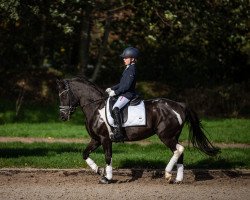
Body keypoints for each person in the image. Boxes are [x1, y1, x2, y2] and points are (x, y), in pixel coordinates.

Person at [106, 47, 139, 142]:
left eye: (126, 58)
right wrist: (112, 88)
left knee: (115, 108)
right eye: (124, 58)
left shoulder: (132, 69)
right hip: (124, 93)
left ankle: (119, 133)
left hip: (128, 94)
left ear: (132, 59)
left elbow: (127, 86)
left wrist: (116, 92)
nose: (123, 59)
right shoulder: (128, 68)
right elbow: (121, 84)